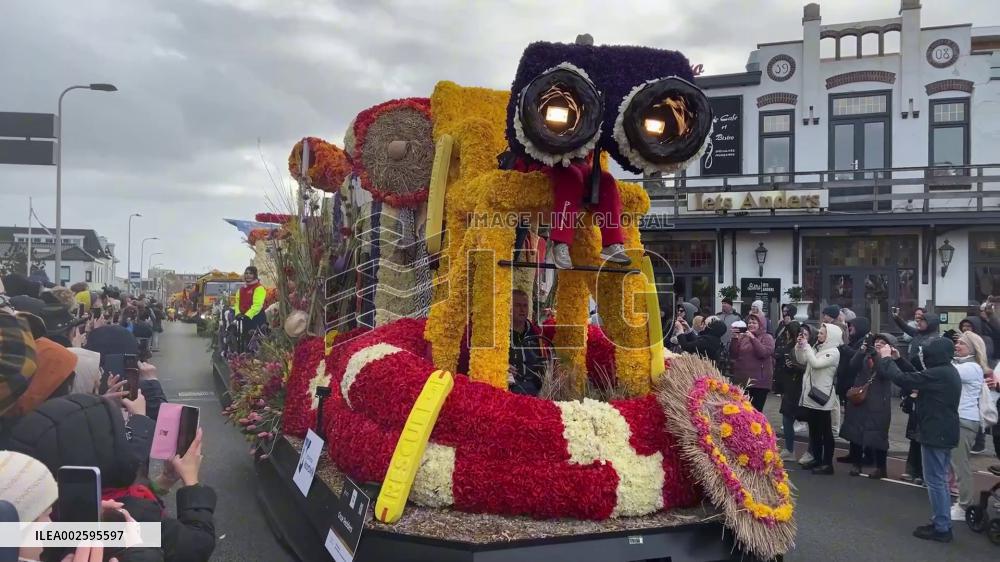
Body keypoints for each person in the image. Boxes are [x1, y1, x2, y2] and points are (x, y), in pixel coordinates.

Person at [8, 394, 216, 562]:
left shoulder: (50, 526)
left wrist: (164, 481)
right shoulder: (125, 520)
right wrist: (191, 482)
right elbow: (195, 546)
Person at [876, 337, 961, 542]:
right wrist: (899, 360)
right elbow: (917, 376)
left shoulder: (941, 373)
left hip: (935, 432)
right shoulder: (946, 371)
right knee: (938, 479)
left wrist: (886, 359)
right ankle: (941, 522)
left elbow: (905, 380)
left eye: (929, 352)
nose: (925, 355)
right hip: (942, 430)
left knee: (936, 481)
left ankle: (942, 528)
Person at [840, 333, 906, 480]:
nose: (878, 344)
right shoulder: (866, 354)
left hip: (878, 402)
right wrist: (861, 351)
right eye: (877, 341)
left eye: (882, 342)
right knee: (856, 432)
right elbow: (852, 365)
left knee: (878, 435)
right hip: (860, 399)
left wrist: (880, 356)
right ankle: (856, 464)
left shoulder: (887, 360)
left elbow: (886, 372)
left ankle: (881, 468)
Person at [948, 331, 989, 521]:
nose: (957, 346)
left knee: (960, 465)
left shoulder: (971, 367)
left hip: (964, 420)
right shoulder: (964, 365)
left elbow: (947, 373)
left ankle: (964, 506)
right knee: (956, 463)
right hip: (960, 419)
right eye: (957, 343)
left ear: (972, 349)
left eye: (961, 344)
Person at [795, 322, 843, 475]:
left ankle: (827, 463)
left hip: (822, 397)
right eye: (820, 332)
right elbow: (802, 360)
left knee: (825, 431)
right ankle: (816, 458)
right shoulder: (817, 347)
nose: (819, 335)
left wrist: (807, 347)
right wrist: (800, 346)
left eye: (823, 333)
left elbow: (815, 364)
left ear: (831, 336)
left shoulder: (834, 352)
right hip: (810, 395)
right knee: (814, 431)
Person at [728, 312, 775, 411]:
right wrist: (735, 338)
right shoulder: (743, 337)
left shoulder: (767, 337)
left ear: (761, 324)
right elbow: (734, 354)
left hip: (759, 383)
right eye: (749, 323)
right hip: (742, 381)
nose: (751, 325)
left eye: (754, 323)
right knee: (742, 411)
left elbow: (763, 353)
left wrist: (753, 338)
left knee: (755, 411)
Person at [776, 321, 805, 461]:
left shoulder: (804, 348)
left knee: (809, 420)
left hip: (800, 386)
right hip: (789, 386)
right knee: (787, 418)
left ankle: (810, 452)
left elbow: (807, 366)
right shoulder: (788, 346)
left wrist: (793, 366)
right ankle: (789, 449)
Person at [236, 266, 267, 343]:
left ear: (255, 275)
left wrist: (247, 315)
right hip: (244, 319)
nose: (248, 275)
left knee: (256, 342)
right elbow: (237, 303)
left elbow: (257, 305)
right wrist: (238, 313)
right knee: (246, 341)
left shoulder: (259, 288)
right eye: (246, 273)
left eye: (251, 273)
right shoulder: (241, 289)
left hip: (257, 318)